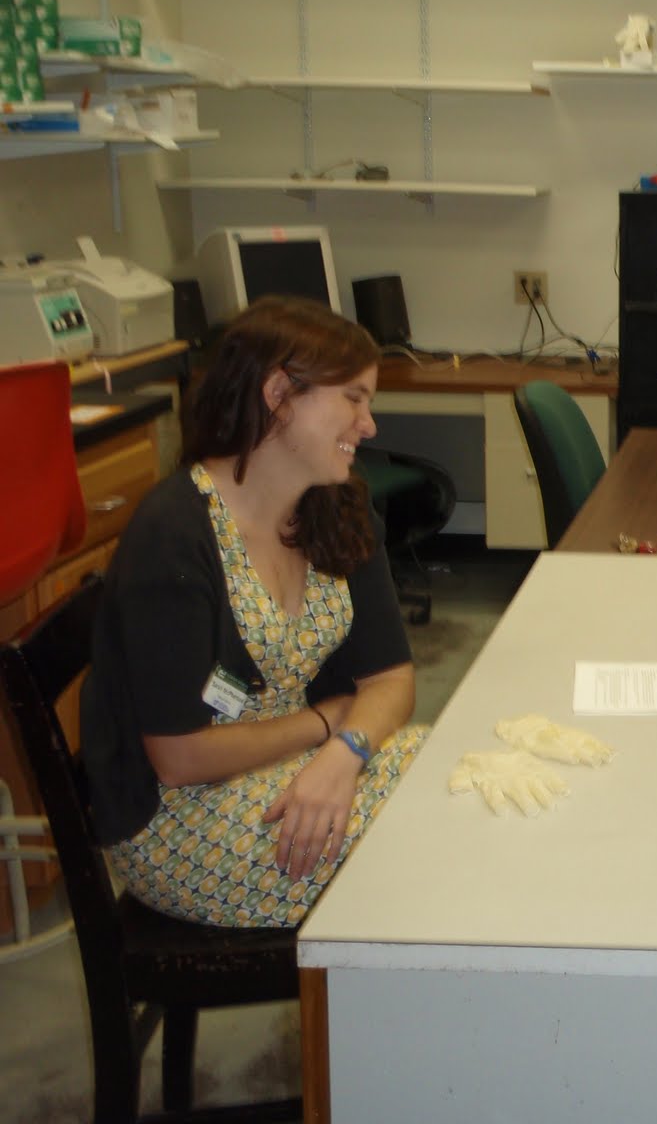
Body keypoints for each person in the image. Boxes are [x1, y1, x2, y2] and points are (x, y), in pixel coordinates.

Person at [81, 295, 431, 928]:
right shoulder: (175, 535)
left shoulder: (334, 506)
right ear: (278, 395)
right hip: (182, 817)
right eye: (353, 399)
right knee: (422, 841)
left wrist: (344, 753)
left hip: (295, 768)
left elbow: (390, 679)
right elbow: (179, 756)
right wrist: (324, 723)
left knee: (454, 777)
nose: (369, 425)